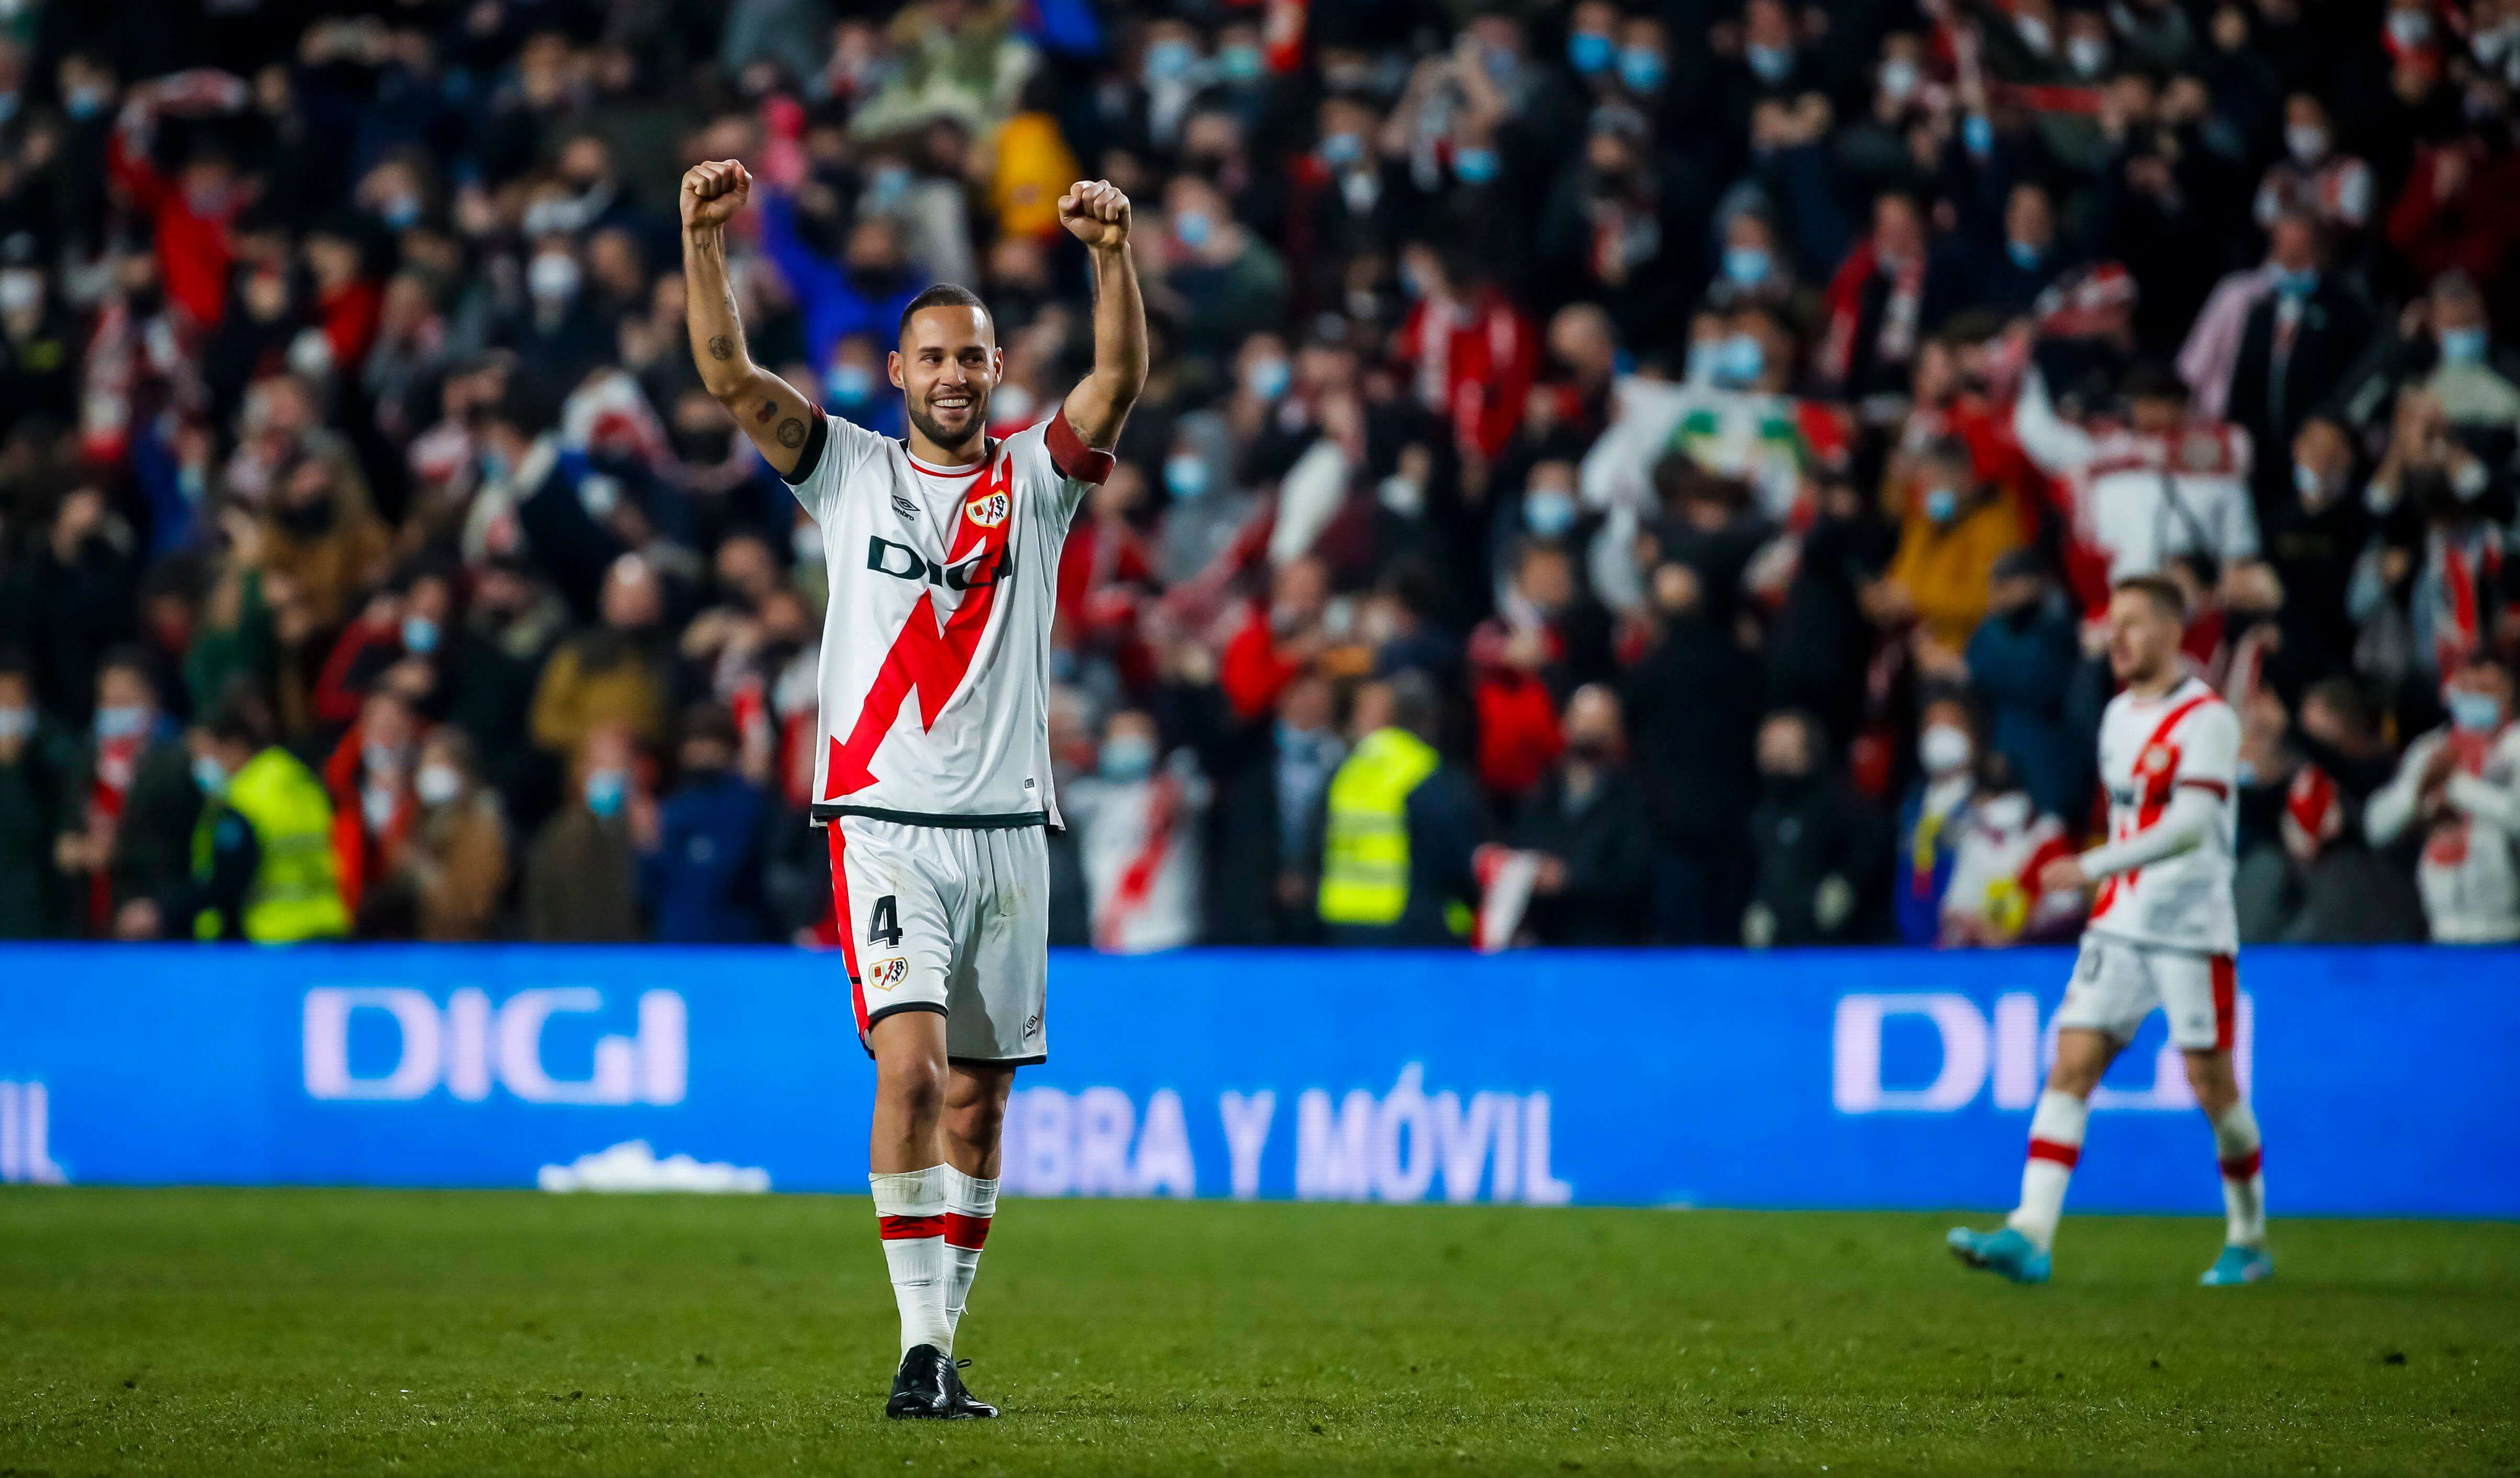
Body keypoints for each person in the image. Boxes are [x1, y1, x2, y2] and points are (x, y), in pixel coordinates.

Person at [681, 157, 1143, 1418]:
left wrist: (1110, 256)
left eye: (971, 358)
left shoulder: (1036, 483)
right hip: (884, 828)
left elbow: (1117, 383)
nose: (951, 375)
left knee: (983, 1108)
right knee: (912, 1074)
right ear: (898, 374)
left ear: (993, 372)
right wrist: (704, 242)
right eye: (931, 357)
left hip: (1011, 835)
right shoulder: (844, 470)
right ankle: (912, 1347)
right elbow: (727, 377)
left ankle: (941, 1344)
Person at [1949, 577, 2270, 1288]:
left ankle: (2247, 1235)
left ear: (2170, 629)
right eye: (2110, 623)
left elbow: (2188, 827)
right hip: (2119, 925)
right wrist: (2104, 879)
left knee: (2213, 1087)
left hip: (2189, 929)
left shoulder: (2206, 719)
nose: (2115, 638)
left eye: (2130, 623)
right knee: (2070, 1065)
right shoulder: (2118, 714)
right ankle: (2030, 1232)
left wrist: (2090, 863)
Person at [127, 697, 350, 944]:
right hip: (327, 925)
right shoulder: (300, 780)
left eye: (206, 752)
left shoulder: (243, 800)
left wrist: (163, 913)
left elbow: (227, 882)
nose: (199, 764)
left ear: (234, 747)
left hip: (273, 934)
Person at [1315, 671, 1483, 946]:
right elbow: (1454, 856)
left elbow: (1317, 844)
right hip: (1410, 926)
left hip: (1342, 922)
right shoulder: (1426, 772)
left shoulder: (1345, 771)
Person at [2365, 657, 2520, 943]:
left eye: (2486, 688)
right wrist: (2416, 795)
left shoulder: (2515, 747)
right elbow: (2377, 828)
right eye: (2468, 688)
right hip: (2442, 929)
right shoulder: (2431, 749)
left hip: (2508, 931)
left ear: (2508, 693)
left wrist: (2458, 788)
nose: (2476, 696)